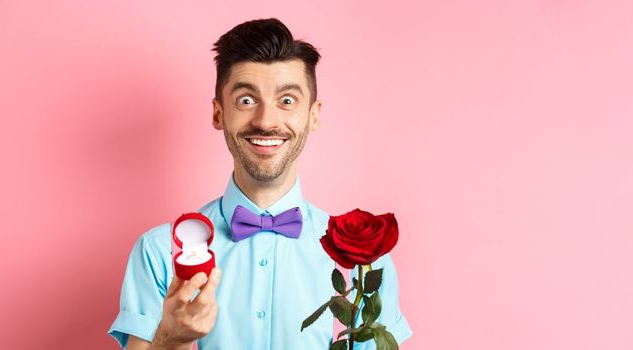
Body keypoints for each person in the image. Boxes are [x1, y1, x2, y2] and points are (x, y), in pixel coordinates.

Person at [108, 18, 412, 349]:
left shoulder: (366, 262)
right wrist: (171, 338)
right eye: (246, 100)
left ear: (313, 115)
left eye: (287, 100)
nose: (266, 121)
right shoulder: (158, 253)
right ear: (218, 113)